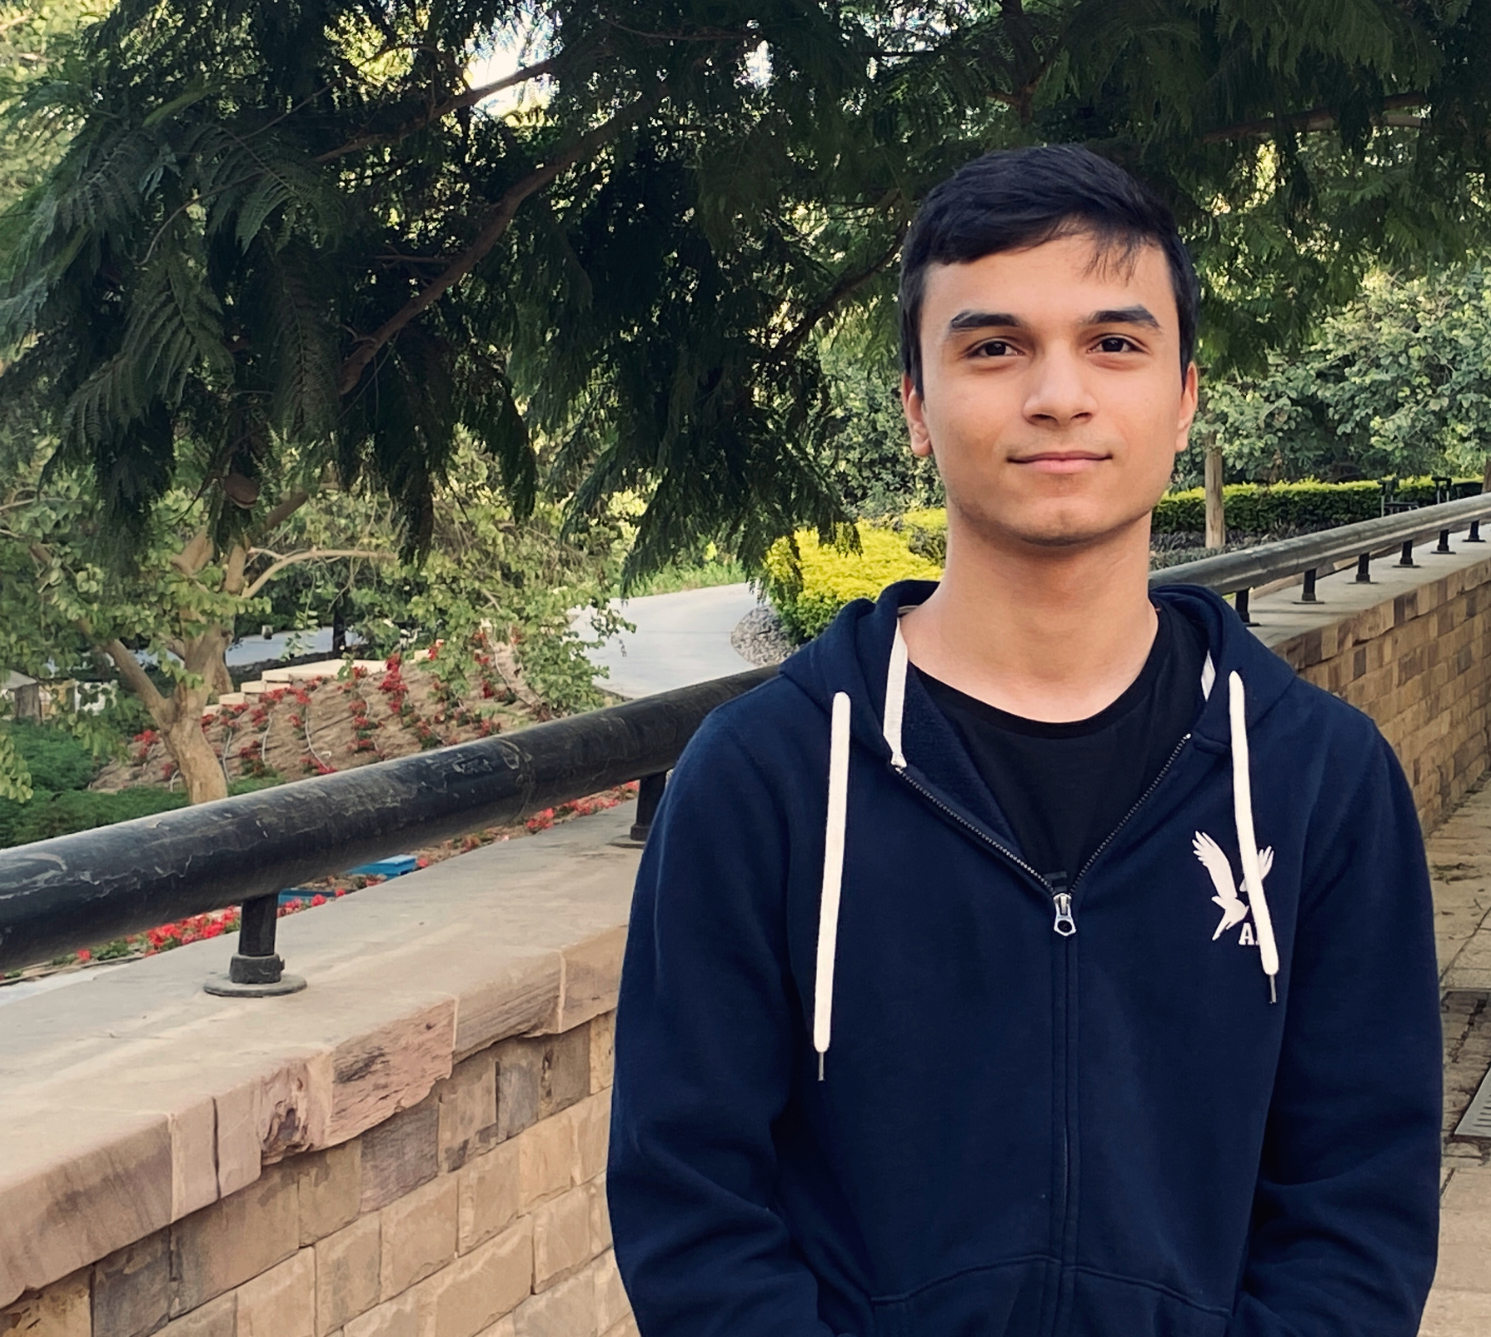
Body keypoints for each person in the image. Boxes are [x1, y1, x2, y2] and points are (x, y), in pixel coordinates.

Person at [607, 145, 1443, 1336]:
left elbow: (1359, 1209)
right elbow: (692, 1211)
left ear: (1186, 394)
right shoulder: (765, 781)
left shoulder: (1318, 780)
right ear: (915, 404)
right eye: (994, 348)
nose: (1059, 394)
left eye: (1114, 343)